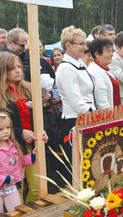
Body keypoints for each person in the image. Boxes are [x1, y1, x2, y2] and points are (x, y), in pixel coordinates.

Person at [0, 52, 49, 203]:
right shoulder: (1, 95)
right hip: (10, 147)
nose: (18, 70)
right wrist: (20, 132)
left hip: (33, 146)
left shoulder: (29, 89)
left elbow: (40, 115)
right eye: (12, 68)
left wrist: (42, 130)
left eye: (19, 67)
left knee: (37, 188)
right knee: (16, 188)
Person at [56, 26, 96, 180]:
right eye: (81, 44)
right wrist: (94, 114)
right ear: (68, 45)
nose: (84, 48)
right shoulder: (66, 68)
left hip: (87, 118)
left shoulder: (79, 65)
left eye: (84, 43)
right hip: (75, 121)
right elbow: (76, 102)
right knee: (79, 168)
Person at [0, 111, 37, 212]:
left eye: (8, 128)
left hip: (11, 188)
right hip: (3, 183)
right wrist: (4, 179)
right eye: (1, 129)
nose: (6, 131)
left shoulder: (12, 145)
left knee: (17, 211)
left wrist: (32, 157)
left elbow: (19, 161)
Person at [88, 38, 120, 110]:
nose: (112, 54)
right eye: (108, 52)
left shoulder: (105, 69)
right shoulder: (95, 72)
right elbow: (102, 103)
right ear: (97, 54)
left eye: (112, 51)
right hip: (107, 117)